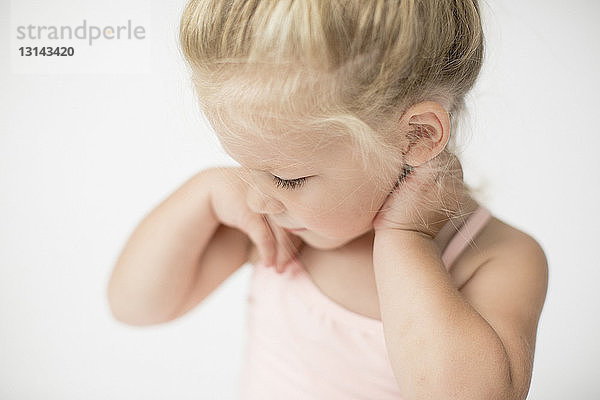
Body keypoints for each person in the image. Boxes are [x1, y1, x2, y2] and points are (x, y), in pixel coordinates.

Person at [107, 1, 548, 398]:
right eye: (243, 166)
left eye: (287, 177)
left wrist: (406, 238)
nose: (258, 198)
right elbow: (136, 306)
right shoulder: (277, 223)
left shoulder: (496, 259)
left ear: (416, 136)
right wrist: (202, 192)